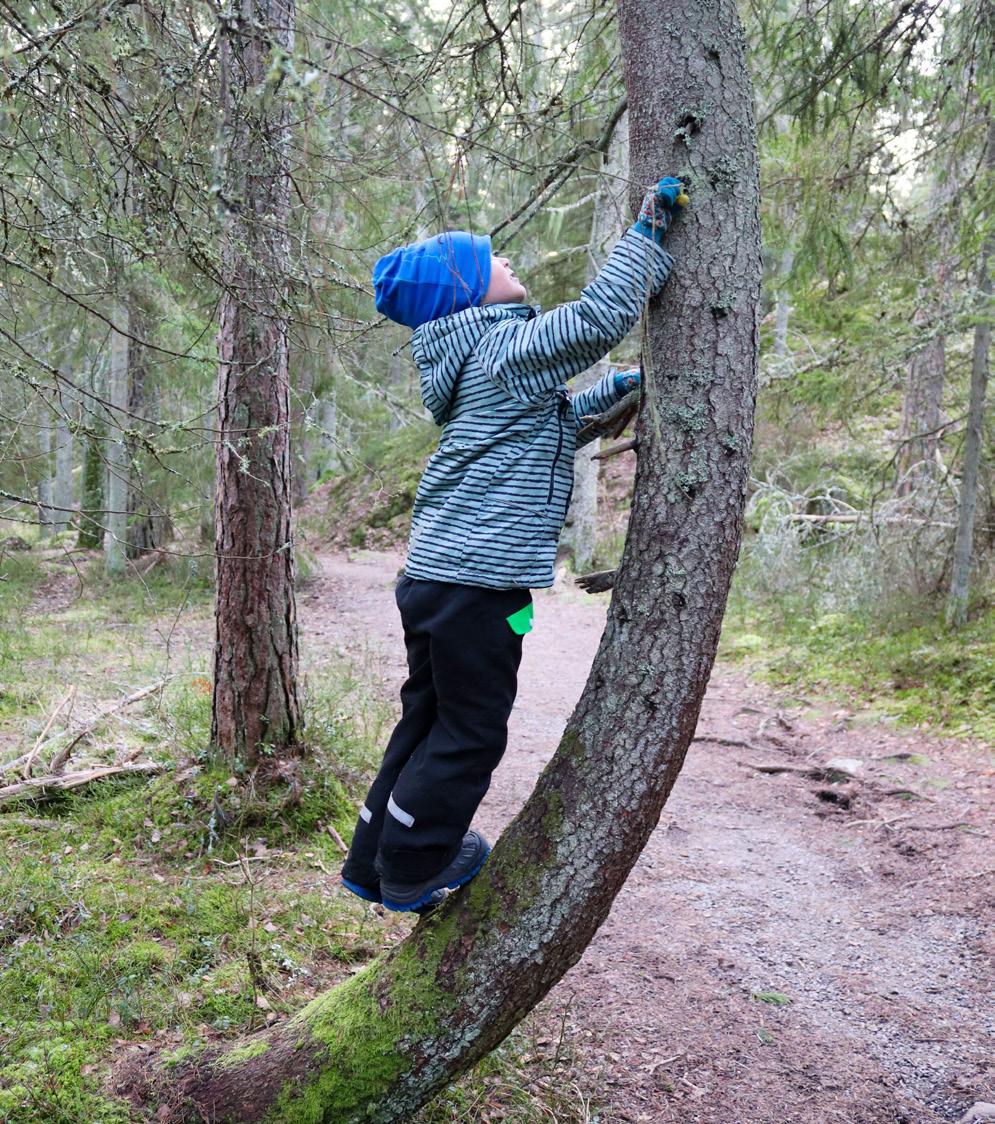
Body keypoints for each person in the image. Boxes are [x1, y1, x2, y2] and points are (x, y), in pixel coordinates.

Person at [340, 176, 687, 912]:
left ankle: (378, 857)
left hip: (439, 580)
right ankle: (416, 863)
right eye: (491, 260)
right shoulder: (505, 349)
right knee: (470, 730)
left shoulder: (480, 362)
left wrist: (619, 387)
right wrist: (646, 237)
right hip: (474, 587)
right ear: (465, 291)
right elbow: (595, 319)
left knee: (429, 719)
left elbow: (548, 418)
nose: (509, 263)